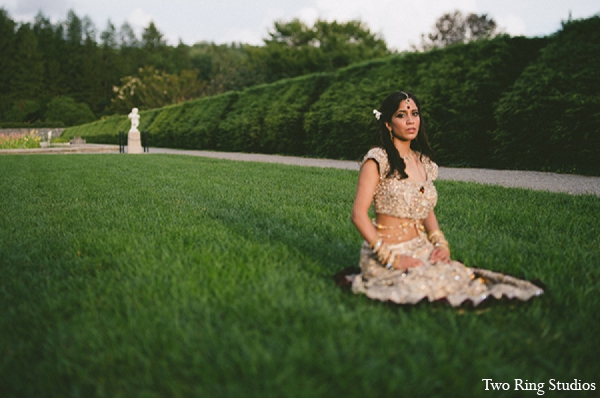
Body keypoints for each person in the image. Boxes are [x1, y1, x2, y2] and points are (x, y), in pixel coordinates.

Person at [347, 91, 543, 306]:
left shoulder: (423, 162)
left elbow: (425, 208)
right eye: (401, 115)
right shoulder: (378, 160)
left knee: (461, 279)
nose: (411, 121)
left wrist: (440, 244)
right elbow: (358, 215)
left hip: (420, 247)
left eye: (415, 113)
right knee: (422, 288)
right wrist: (391, 258)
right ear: (388, 124)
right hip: (387, 252)